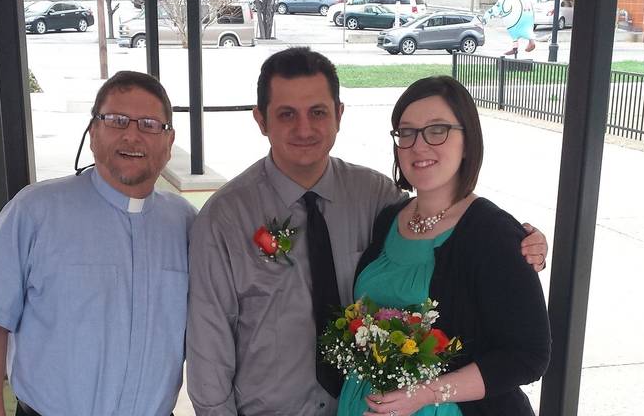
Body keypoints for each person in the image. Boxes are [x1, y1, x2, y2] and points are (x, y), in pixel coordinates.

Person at [187, 47, 548, 416]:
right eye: (286, 115)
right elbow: (208, 346)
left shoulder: (373, 196)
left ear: (339, 115)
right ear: (261, 120)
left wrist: (523, 242)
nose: (304, 128)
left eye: (318, 112)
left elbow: (526, 348)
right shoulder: (226, 218)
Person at [0, 71, 196, 416]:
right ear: (93, 133)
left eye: (148, 124)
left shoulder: (186, 222)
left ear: (169, 140)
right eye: (117, 121)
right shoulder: (35, 210)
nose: (132, 135)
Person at [339, 75, 551, 416]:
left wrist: (424, 394)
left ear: (467, 142)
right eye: (406, 132)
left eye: (437, 130)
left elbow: (529, 355)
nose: (419, 146)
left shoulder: (493, 233)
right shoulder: (389, 219)